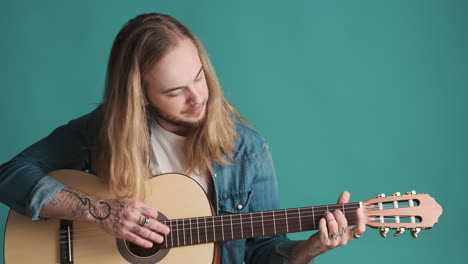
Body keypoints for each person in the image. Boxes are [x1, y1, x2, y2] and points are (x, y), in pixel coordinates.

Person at [0, 13, 365, 263]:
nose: (198, 98)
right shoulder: (101, 132)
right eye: (175, 91)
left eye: (199, 77)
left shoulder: (247, 150)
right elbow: (10, 175)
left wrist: (308, 249)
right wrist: (99, 212)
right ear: (141, 95)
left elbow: (260, 252)